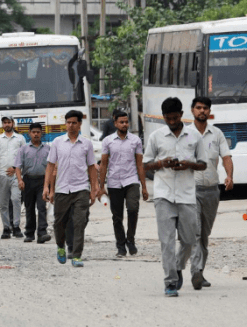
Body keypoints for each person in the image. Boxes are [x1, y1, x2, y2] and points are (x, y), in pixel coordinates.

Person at [143, 97, 207, 297]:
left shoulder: (194, 136)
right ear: (163, 117)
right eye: (168, 118)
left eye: (175, 117)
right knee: (167, 241)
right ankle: (170, 282)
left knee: (189, 240)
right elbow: (145, 164)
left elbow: (203, 164)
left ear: (181, 115)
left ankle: (179, 266)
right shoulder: (156, 136)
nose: (171, 121)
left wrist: (189, 164)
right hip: (163, 195)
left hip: (187, 195)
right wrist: (162, 163)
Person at [44, 110, 98, 267]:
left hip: (81, 188)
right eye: (68, 122)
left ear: (80, 124)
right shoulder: (57, 142)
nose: (71, 125)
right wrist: (47, 188)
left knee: (79, 222)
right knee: (59, 223)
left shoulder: (86, 143)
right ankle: (61, 246)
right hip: (62, 189)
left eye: (74, 122)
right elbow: (50, 165)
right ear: (65, 124)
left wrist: (94, 188)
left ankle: (76, 255)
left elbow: (91, 167)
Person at [189, 96, 233, 289]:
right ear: (192, 111)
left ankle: (200, 270)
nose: (202, 111)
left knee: (205, 235)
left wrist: (230, 176)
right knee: (196, 233)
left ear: (209, 111)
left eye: (205, 108)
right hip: (190, 191)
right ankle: (196, 272)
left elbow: (226, 157)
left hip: (211, 191)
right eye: (198, 108)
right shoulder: (185, 134)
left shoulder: (217, 134)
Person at [97, 111, 148, 258]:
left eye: (126, 122)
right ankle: (121, 246)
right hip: (114, 182)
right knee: (117, 216)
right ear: (115, 124)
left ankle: (130, 240)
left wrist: (143, 186)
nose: (125, 124)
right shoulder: (107, 141)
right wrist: (101, 186)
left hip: (131, 180)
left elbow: (139, 164)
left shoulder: (135, 140)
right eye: (122, 122)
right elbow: (104, 164)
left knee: (133, 209)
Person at [0, 115, 27, 239]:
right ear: (2, 125)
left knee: (16, 200)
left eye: (9, 122)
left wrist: (16, 168)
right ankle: (6, 228)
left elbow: (23, 157)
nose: (7, 124)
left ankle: (16, 226)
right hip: (1, 175)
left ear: (13, 124)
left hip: (16, 175)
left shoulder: (20, 139)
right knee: (3, 203)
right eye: (4, 122)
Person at [15, 123, 51, 244]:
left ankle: (42, 233)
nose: (36, 134)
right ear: (29, 133)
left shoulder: (48, 149)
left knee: (41, 207)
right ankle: (29, 233)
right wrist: (20, 180)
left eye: (38, 132)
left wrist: (49, 184)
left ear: (41, 133)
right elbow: (18, 166)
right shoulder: (23, 149)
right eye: (33, 132)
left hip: (43, 181)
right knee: (29, 208)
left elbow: (51, 167)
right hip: (28, 180)